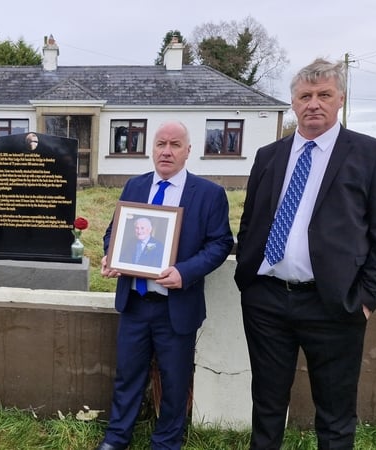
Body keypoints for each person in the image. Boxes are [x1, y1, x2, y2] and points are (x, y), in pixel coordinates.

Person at [234, 58, 376, 450]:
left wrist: (364, 300)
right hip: (267, 300)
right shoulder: (269, 156)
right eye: (305, 96)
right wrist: (250, 281)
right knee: (267, 404)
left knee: (335, 413)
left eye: (324, 95)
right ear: (293, 102)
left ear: (340, 99)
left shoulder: (372, 155)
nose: (314, 103)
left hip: (334, 305)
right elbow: (251, 221)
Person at [96, 121, 234, 450]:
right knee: (127, 376)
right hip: (135, 304)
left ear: (188, 152)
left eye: (175, 145)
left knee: (175, 381)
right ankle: (116, 439)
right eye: (160, 144)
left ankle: (166, 442)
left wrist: (185, 272)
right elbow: (113, 233)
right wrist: (110, 257)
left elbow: (220, 244)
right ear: (151, 149)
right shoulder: (134, 186)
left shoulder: (209, 194)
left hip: (176, 307)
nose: (166, 151)